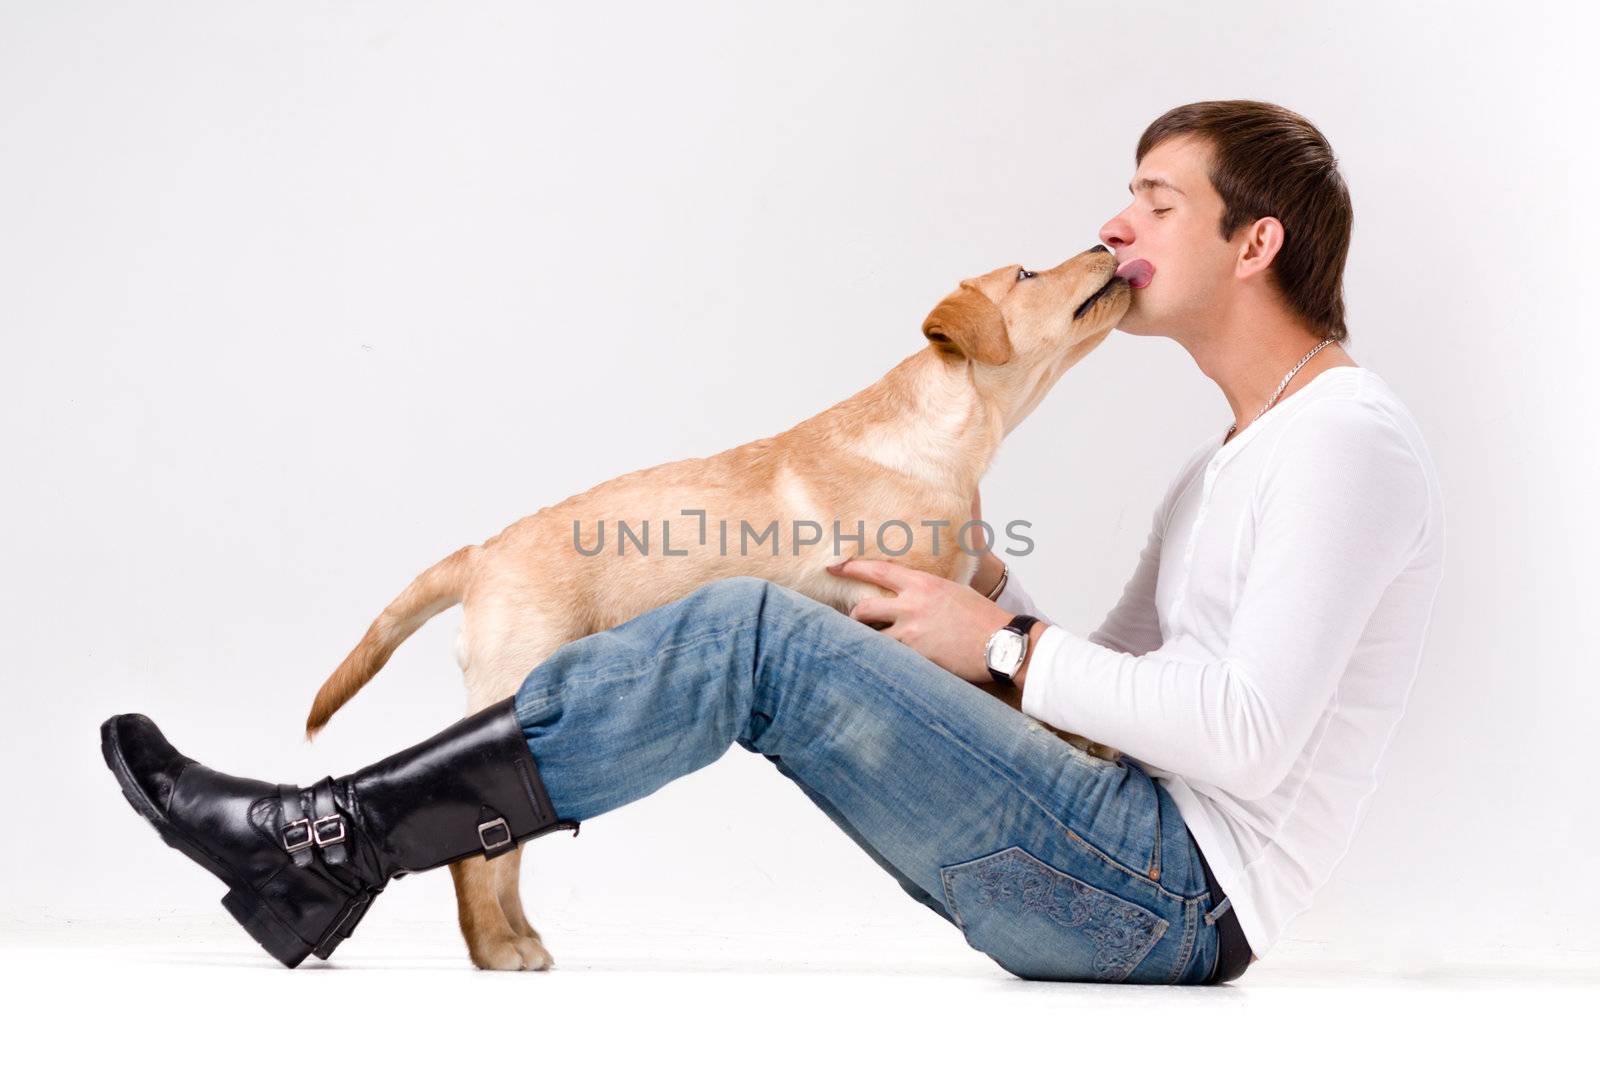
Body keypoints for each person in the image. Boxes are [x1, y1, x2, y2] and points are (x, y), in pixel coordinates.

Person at [100, 100, 1444, 984]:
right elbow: (1128, 707)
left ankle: (320, 843)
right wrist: (989, 593)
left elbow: (1244, 738)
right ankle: (323, 850)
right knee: (758, 616)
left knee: (752, 627)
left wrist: (1009, 643)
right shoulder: (1244, 452)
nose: (1112, 225)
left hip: (1165, 899)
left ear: (1253, 240)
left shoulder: (1345, 443)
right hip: (1120, 858)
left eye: (1156, 201)